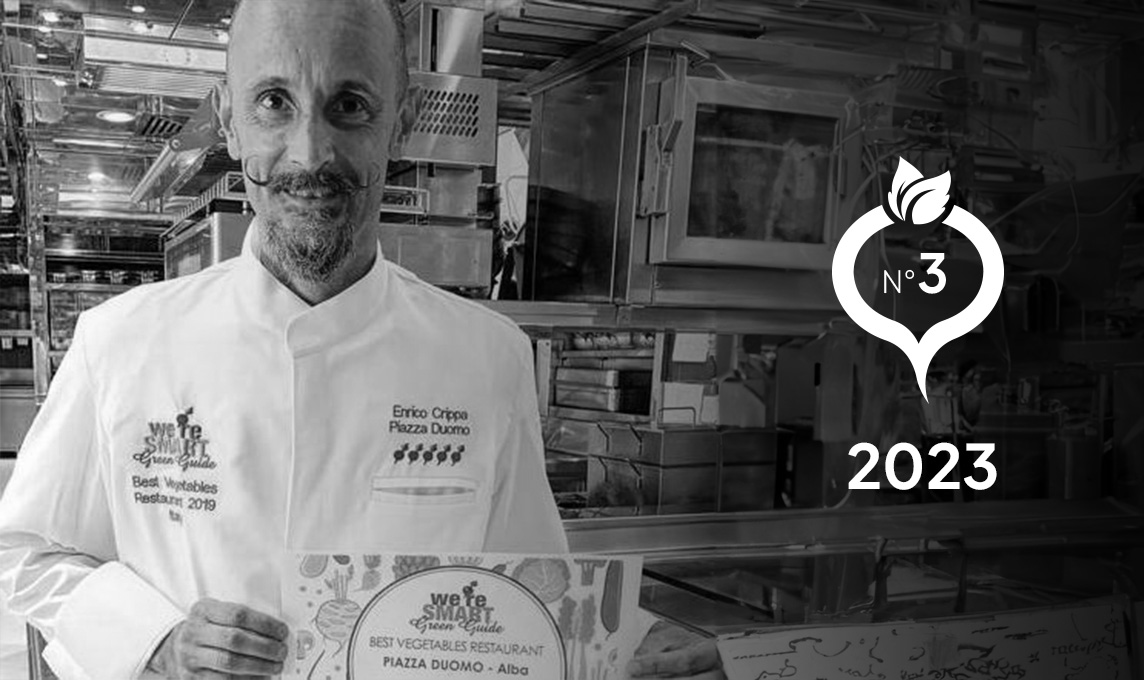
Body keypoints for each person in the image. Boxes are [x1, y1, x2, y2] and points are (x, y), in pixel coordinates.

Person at [0, 0, 722, 678]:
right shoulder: (122, 342)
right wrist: (154, 640)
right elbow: (21, 550)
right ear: (229, 120)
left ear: (401, 120)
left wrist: (630, 643)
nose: (310, 153)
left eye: (349, 105)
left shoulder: (487, 358)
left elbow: (531, 596)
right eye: (273, 102)